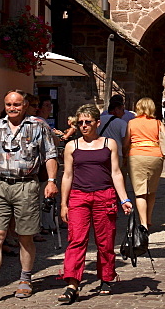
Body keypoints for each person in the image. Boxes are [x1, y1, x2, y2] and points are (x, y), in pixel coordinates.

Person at [0, 89, 58, 302]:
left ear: (25, 105)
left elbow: (50, 155)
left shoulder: (39, 126)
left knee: (25, 236)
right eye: (9, 105)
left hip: (26, 186)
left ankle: (25, 279)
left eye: (17, 105)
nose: (12, 108)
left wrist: (51, 181)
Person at [58, 104, 132, 303]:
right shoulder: (72, 146)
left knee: (105, 241)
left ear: (97, 123)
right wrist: (63, 204)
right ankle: (72, 282)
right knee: (76, 240)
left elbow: (116, 173)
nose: (83, 126)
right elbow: (67, 175)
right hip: (79, 197)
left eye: (87, 122)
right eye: (80, 122)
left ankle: (106, 277)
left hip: (104, 196)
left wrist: (124, 198)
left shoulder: (109, 144)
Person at [122, 98, 164, 230]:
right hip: (155, 156)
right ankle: (149, 218)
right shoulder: (157, 123)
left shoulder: (132, 123)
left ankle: (143, 223)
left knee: (140, 192)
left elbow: (126, 143)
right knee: (151, 191)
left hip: (136, 156)